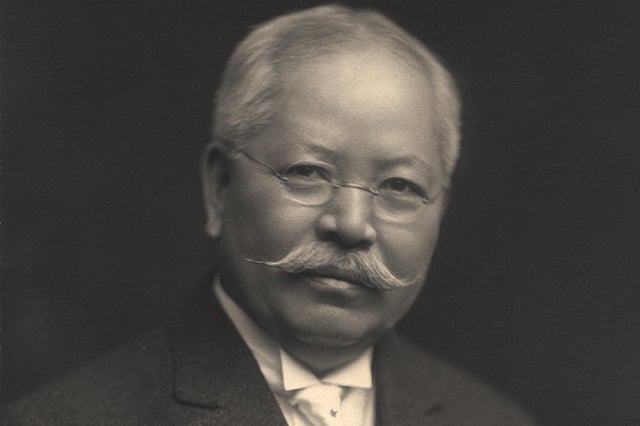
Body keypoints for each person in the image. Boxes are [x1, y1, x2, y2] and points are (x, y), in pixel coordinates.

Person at [4, 4, 537, 425]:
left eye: (400, 186)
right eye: (308, 172)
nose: (353, 225)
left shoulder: (493, 419)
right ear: (219, 186)